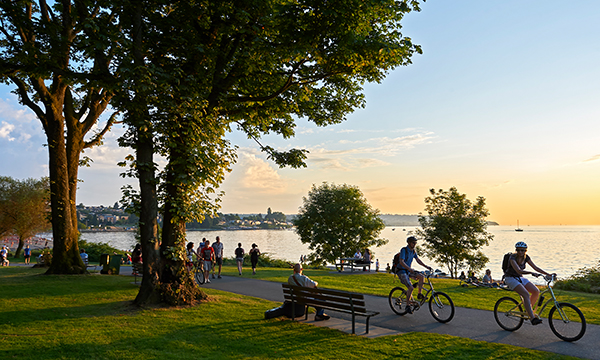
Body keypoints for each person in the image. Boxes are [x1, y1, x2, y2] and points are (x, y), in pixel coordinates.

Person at [504, 241, 555, 326]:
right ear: (516, 250)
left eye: (522, 250)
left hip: (519, 278)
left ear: (525, 251)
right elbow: (518, 270)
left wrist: (548, 274)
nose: (520, 252)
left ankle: (528, 311)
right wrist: (531, 273)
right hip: (510, 278)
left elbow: (535, 268)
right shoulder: (512, 257)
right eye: (518, 250)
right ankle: (532, 318)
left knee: (536, 291)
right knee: (526, 294)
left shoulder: (526, 257)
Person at [395, 236, 432, 313]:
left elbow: (418, 260)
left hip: (408, 271)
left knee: (421, 276)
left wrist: (426, 266)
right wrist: (409, 269)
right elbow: (401, 261)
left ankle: (419, 294)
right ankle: (407, 306)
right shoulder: (404, 250)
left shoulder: (413, 251)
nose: (414, 244)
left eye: (415, 243)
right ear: (409, 243)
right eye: (413, 243)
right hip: (401, 271)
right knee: (411, 288)